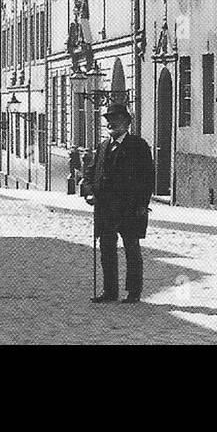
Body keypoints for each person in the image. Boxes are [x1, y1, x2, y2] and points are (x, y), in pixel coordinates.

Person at [83, 102, 154, 304]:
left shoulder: (138, 146)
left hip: (129, 209)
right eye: (108, 121)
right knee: (106, 249)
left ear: (127, 123)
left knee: (131, 249)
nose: (111, 124)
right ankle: (109, 291)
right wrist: (89, 193)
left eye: (116, 120)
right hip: (105, 209)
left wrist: (142, 204)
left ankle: (134, 292)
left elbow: (147, 177)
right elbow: (90, 173)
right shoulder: (103, 146)